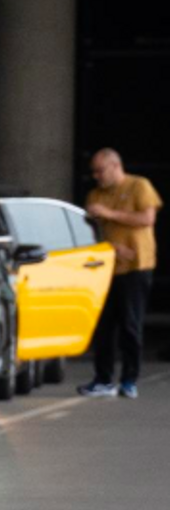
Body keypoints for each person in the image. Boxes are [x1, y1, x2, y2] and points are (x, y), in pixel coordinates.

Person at [80, 148, 161, 399]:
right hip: (105, 267)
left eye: (100, 170)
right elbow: (91, 231)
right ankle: (103, 379)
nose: (96, 176)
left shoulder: (139, 186)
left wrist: (109, 213)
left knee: (130, 324)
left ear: (115, 166)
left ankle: (129, 379)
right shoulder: (95, 195)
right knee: (104, 326)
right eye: (93, 171)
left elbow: (147, 218)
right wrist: (112, 247)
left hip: (135, 266)